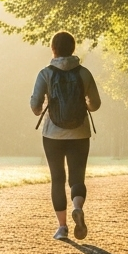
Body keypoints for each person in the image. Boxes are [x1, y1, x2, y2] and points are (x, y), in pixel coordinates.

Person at [30, 31, 101, 241]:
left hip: (52, 134)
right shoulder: (84, 73)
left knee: (57, 178)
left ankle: (62, 228)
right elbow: (96, 104)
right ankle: (77, 207)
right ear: (73, 48)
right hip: (80, 133)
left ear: (53, 48)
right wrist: (84, 105)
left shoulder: (45, 73)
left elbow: (35, 106)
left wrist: (41, 107)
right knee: (77, 177)